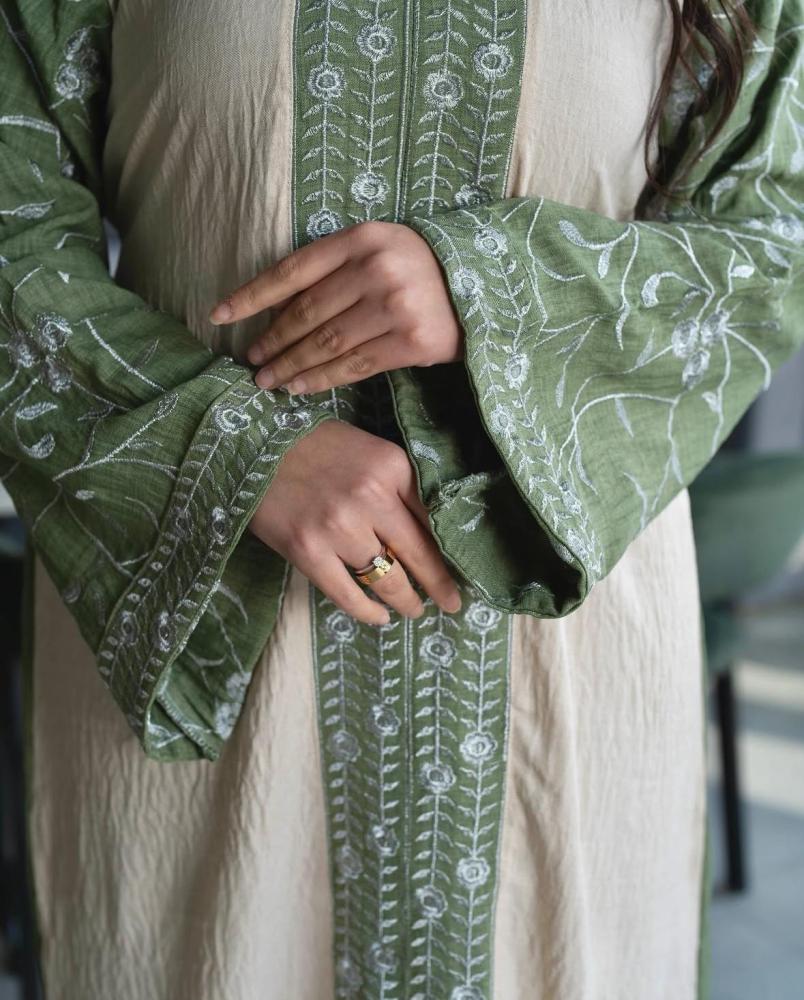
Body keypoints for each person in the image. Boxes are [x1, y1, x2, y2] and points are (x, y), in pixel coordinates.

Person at [1, 0, 802, 997]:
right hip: (203, 631)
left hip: (568, 664)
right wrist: (229, 445)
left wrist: (497, 287)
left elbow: (771, 240)